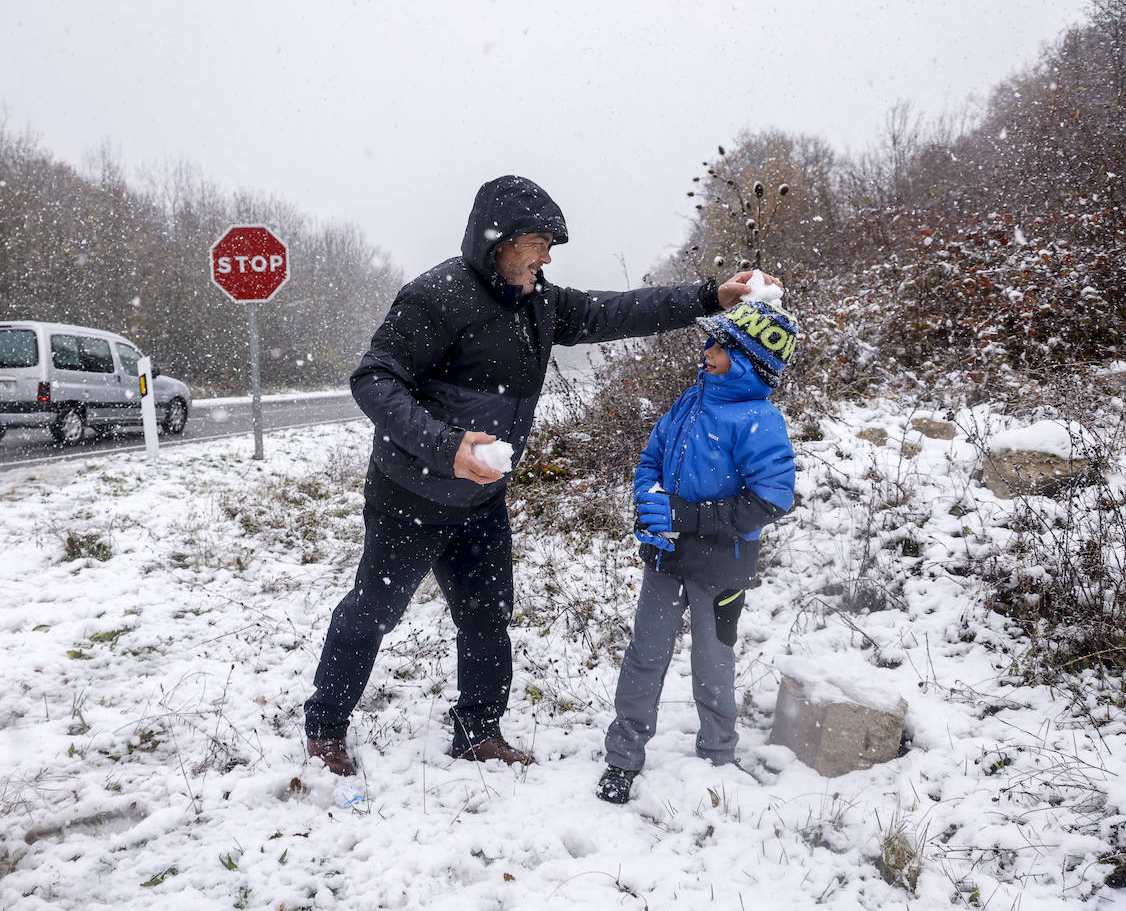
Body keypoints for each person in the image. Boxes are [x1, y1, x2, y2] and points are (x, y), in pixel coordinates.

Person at [304, 173, 778, 777]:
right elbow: (373, 378)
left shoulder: (540, 303)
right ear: (496, 241)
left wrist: (713, 297)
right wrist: (445, 446)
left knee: (486, 611)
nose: (547, 256)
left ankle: (477, 731)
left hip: (480, 499)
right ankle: (325, 726)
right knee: (374, 610)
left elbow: (618, 310)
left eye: (551, 245)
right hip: (412, 494)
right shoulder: (437, 297)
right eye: (537, 243)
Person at [595, 291, 798, 804]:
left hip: (723, 564)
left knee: (713, 661)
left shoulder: (759, 419)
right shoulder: (690, 400)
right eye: (710, 338)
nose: (707, 348)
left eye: (722, 344)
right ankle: (623, 756)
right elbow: (650, 460)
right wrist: (649, 508)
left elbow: (773, 497)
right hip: (665, 558)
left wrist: (687, 516)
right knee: (645, 654)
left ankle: (718, 757)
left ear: (751, 361)